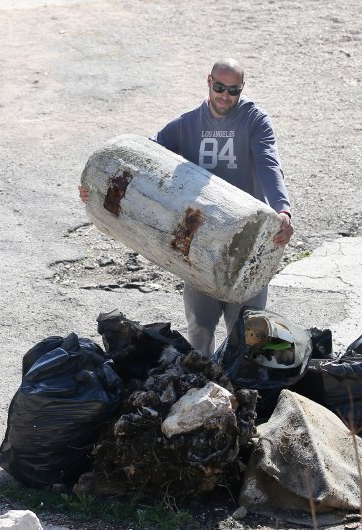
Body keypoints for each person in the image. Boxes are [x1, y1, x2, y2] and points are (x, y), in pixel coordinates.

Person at [80, 58, 293, 355]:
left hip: (248, 246)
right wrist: (97, 186)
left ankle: (241, 396)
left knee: (246, 338)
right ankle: (202, 393)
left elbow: (270, 164)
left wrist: (282, 209)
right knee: (200, 332)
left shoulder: (254, 121)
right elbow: (142, 158)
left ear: (241, 90)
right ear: (209, 82)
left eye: (233, 90)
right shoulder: (187, 124)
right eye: (219, 87)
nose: (225, 96)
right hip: (196, 249)